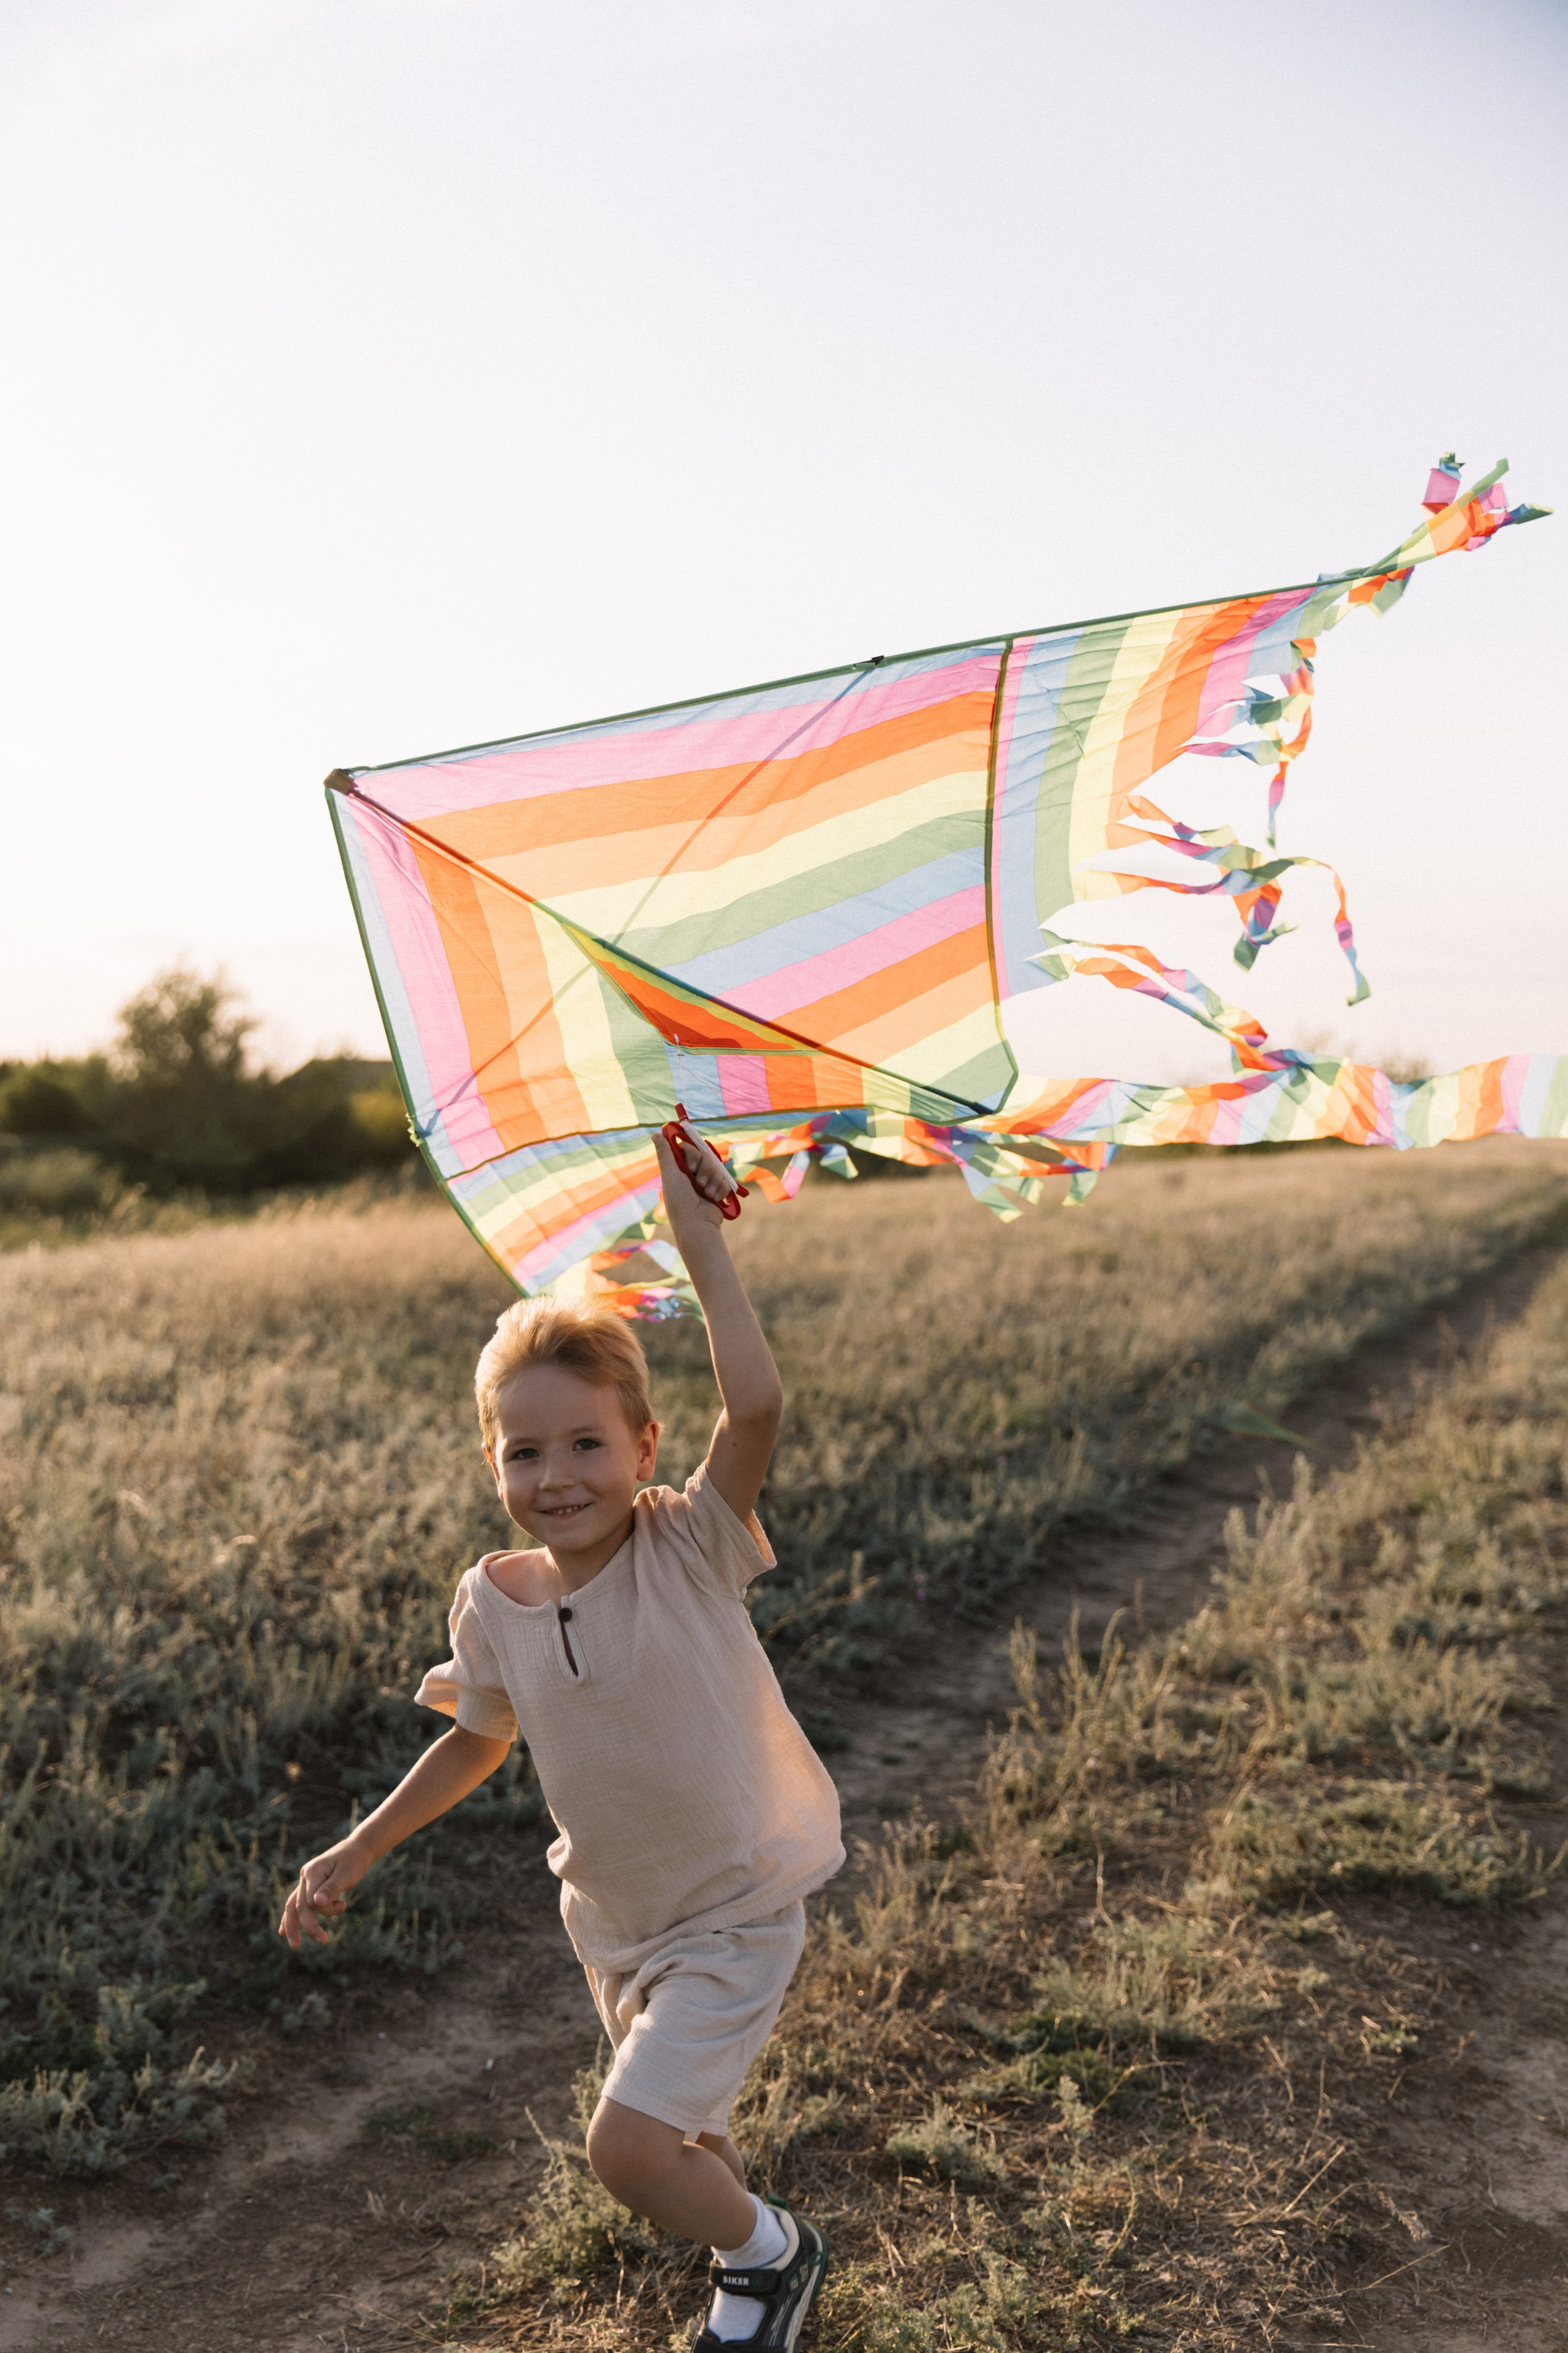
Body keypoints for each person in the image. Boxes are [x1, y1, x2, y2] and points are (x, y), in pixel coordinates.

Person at [279, 1124, 842, 2350]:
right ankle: (745, 2267)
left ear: (642, 1449)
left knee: (625, 2143)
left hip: (734, 1905)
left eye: (586, 1443)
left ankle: (773, 2255)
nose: (557, 1474)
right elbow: (475, 1741)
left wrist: (698, 1240)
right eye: (523, 1451)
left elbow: (755, 1403)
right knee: (687, 2138)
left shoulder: (687, 1545)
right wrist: (358, 1848)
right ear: (493, 1464)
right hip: (617, 1921)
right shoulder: (490, 1599)